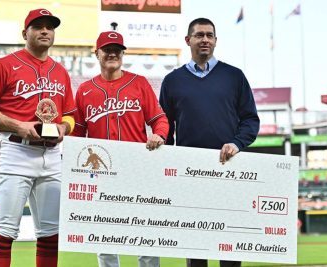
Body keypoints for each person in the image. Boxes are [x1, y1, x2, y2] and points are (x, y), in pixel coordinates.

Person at [0, 8, 76, 267]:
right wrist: (18, 126)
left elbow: (71, 115)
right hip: (16, 151)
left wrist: (65, 128)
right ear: (24, 33)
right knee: (6, 231)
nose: (44, 31)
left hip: (51, 155)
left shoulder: (60, 71)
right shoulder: (4, 65)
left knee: (50, 234)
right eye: (38, 26)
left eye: (49, 27)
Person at [159, 18, 260, 267]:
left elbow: (250, 120)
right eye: (199, 35)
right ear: (188, 40)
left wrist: (236, 143)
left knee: (229, 245)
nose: (205, 39)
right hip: (189, 174)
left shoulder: (234, 76)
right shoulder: (172, 81)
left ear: (215, 40)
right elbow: (165, 127)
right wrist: (165, 164)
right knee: (195, 245)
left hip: (228, 169)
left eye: (210, 35)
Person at [72, 31, 169, 267]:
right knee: (105, 239)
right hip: (101, 176)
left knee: (145, 234)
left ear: (123, 53)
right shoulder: (85, 90)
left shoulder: (139, 83)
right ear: (97, 53)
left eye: (118, 49)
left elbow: (160, 119)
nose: (113, 53)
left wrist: (159, 134)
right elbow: (77, 136)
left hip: (138, 170)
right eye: (107, 49)